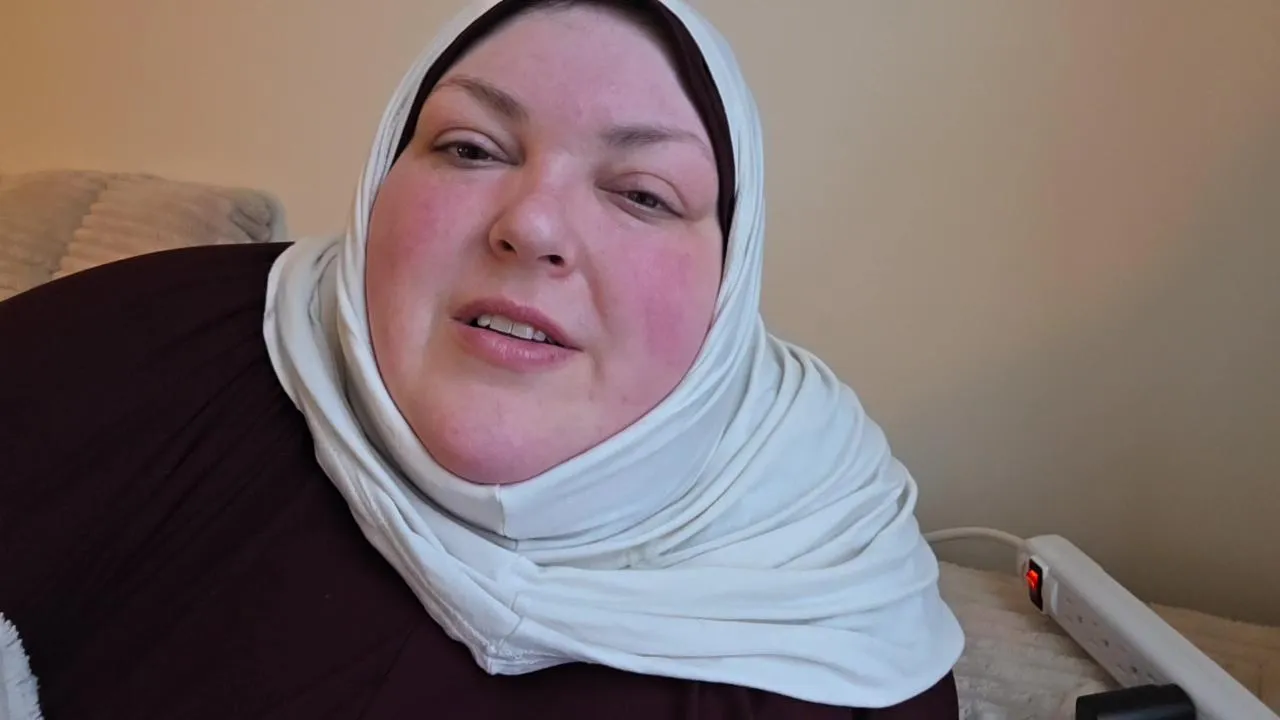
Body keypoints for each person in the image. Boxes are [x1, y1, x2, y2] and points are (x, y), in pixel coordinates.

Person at [0, 0, 965, 717]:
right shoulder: (151, 346)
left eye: (642, 194)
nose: (531, 225)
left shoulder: (835, 585)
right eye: (470, 148)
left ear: (732, 276)